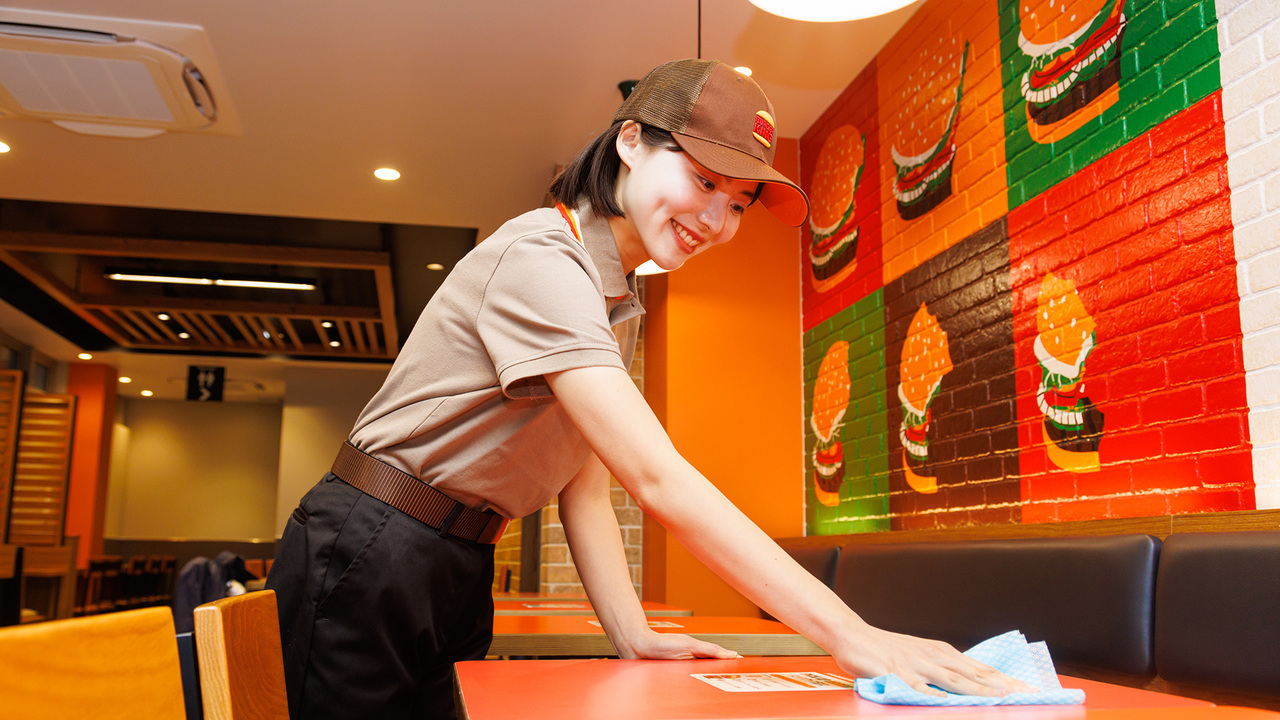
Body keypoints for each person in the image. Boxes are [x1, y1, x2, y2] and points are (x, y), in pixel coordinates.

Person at [267, 58, 1033, 720]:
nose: (717, 219)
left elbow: (585, 490)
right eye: (704, 180)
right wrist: (853, 635)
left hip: (455, 557)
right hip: (372, 542)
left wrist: (629, 629)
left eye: (739, 203)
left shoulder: (617, 301)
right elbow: (655, 477)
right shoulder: (543, 258)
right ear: (630, 142)